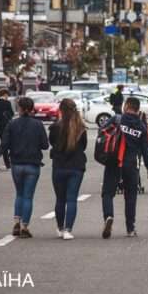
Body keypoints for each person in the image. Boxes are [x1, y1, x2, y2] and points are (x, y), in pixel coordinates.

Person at [0, 97, 49, 239]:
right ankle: (25, 226)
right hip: (33, 164)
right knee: (28, 196)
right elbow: (45, 145)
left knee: (19, 194)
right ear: (31, 109)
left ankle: (16, 222)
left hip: (17, 163)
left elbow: (4, 144)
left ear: (20, 108)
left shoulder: (12, 124)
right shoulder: (38, 125)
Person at [101, 97, 148, 239]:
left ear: (126, 106)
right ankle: (130, 228)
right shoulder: (141, 126)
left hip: (113, 161)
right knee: (130, 196)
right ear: (137, 109)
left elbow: (102, 132)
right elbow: (145, 150)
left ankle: (108, 216)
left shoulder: (117, 119)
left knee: (107, 193)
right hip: (131, 164)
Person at [48, 99, 87, 240]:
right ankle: (68, 229)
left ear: (61, 110)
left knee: (60, 199)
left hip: (59, 166)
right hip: (76, 166)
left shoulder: (54, 127)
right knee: (72, 199)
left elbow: (52, 143)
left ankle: (59, 227)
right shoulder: (81, 128)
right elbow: (83, 146)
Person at [0, 89, 15, 169]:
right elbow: (11, 113)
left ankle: (7, 164)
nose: (7, 97)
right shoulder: (7, 103)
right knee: (4, 145)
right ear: (5, 95)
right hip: (6, 126)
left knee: (4, 144)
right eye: (7, 95)